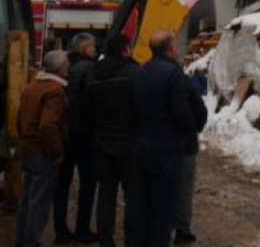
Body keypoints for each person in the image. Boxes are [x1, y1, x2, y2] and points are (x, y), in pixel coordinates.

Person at [129, 30, 197, 247]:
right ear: (170, 48)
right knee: (163, 208)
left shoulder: (140, 72)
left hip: (142, 148)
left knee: (143, 205)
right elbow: (181, 112)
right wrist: (190, 130)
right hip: (167, 151)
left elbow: (131, 110)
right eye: (175, 44)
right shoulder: (174, 74)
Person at [80, 33, 141, 247]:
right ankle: (132, 240)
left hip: (101, 143)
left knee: (106, 194)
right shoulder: (135, 73)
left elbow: (86, 110)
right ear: (125, 49)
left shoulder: (93, 75)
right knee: (133, 196)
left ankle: (105, 241)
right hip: (129, 143)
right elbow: (142, 107)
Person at [15, 50, 71, 247]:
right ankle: (31, 241)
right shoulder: (55, 91)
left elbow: (20, 118)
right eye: (66, 65)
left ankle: (21, 238)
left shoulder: (31, 87)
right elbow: (48, 125)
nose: (69, 68)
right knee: (39, 201)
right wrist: (57, 152)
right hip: (43, 152)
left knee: (27, 198)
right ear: (59, 69)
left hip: (28, 149)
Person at [54, 33, 99, 244]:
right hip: (84, 135)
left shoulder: (62, 67)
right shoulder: (90, 69)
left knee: (62, 183)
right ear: (84, 49)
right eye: (92, 47)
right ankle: (82, 228)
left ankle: (60, 229)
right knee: (88, 183)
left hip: (63, 133)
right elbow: (92, 100)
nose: (95, 51)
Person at [173, 58, 209, 244]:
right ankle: (182, 229)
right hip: (185, 145)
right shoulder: (185, 84)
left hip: (158, 144)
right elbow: (200, 111)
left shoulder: (148, 77)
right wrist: (194, 129)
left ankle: (160, 226)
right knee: (184, 188)